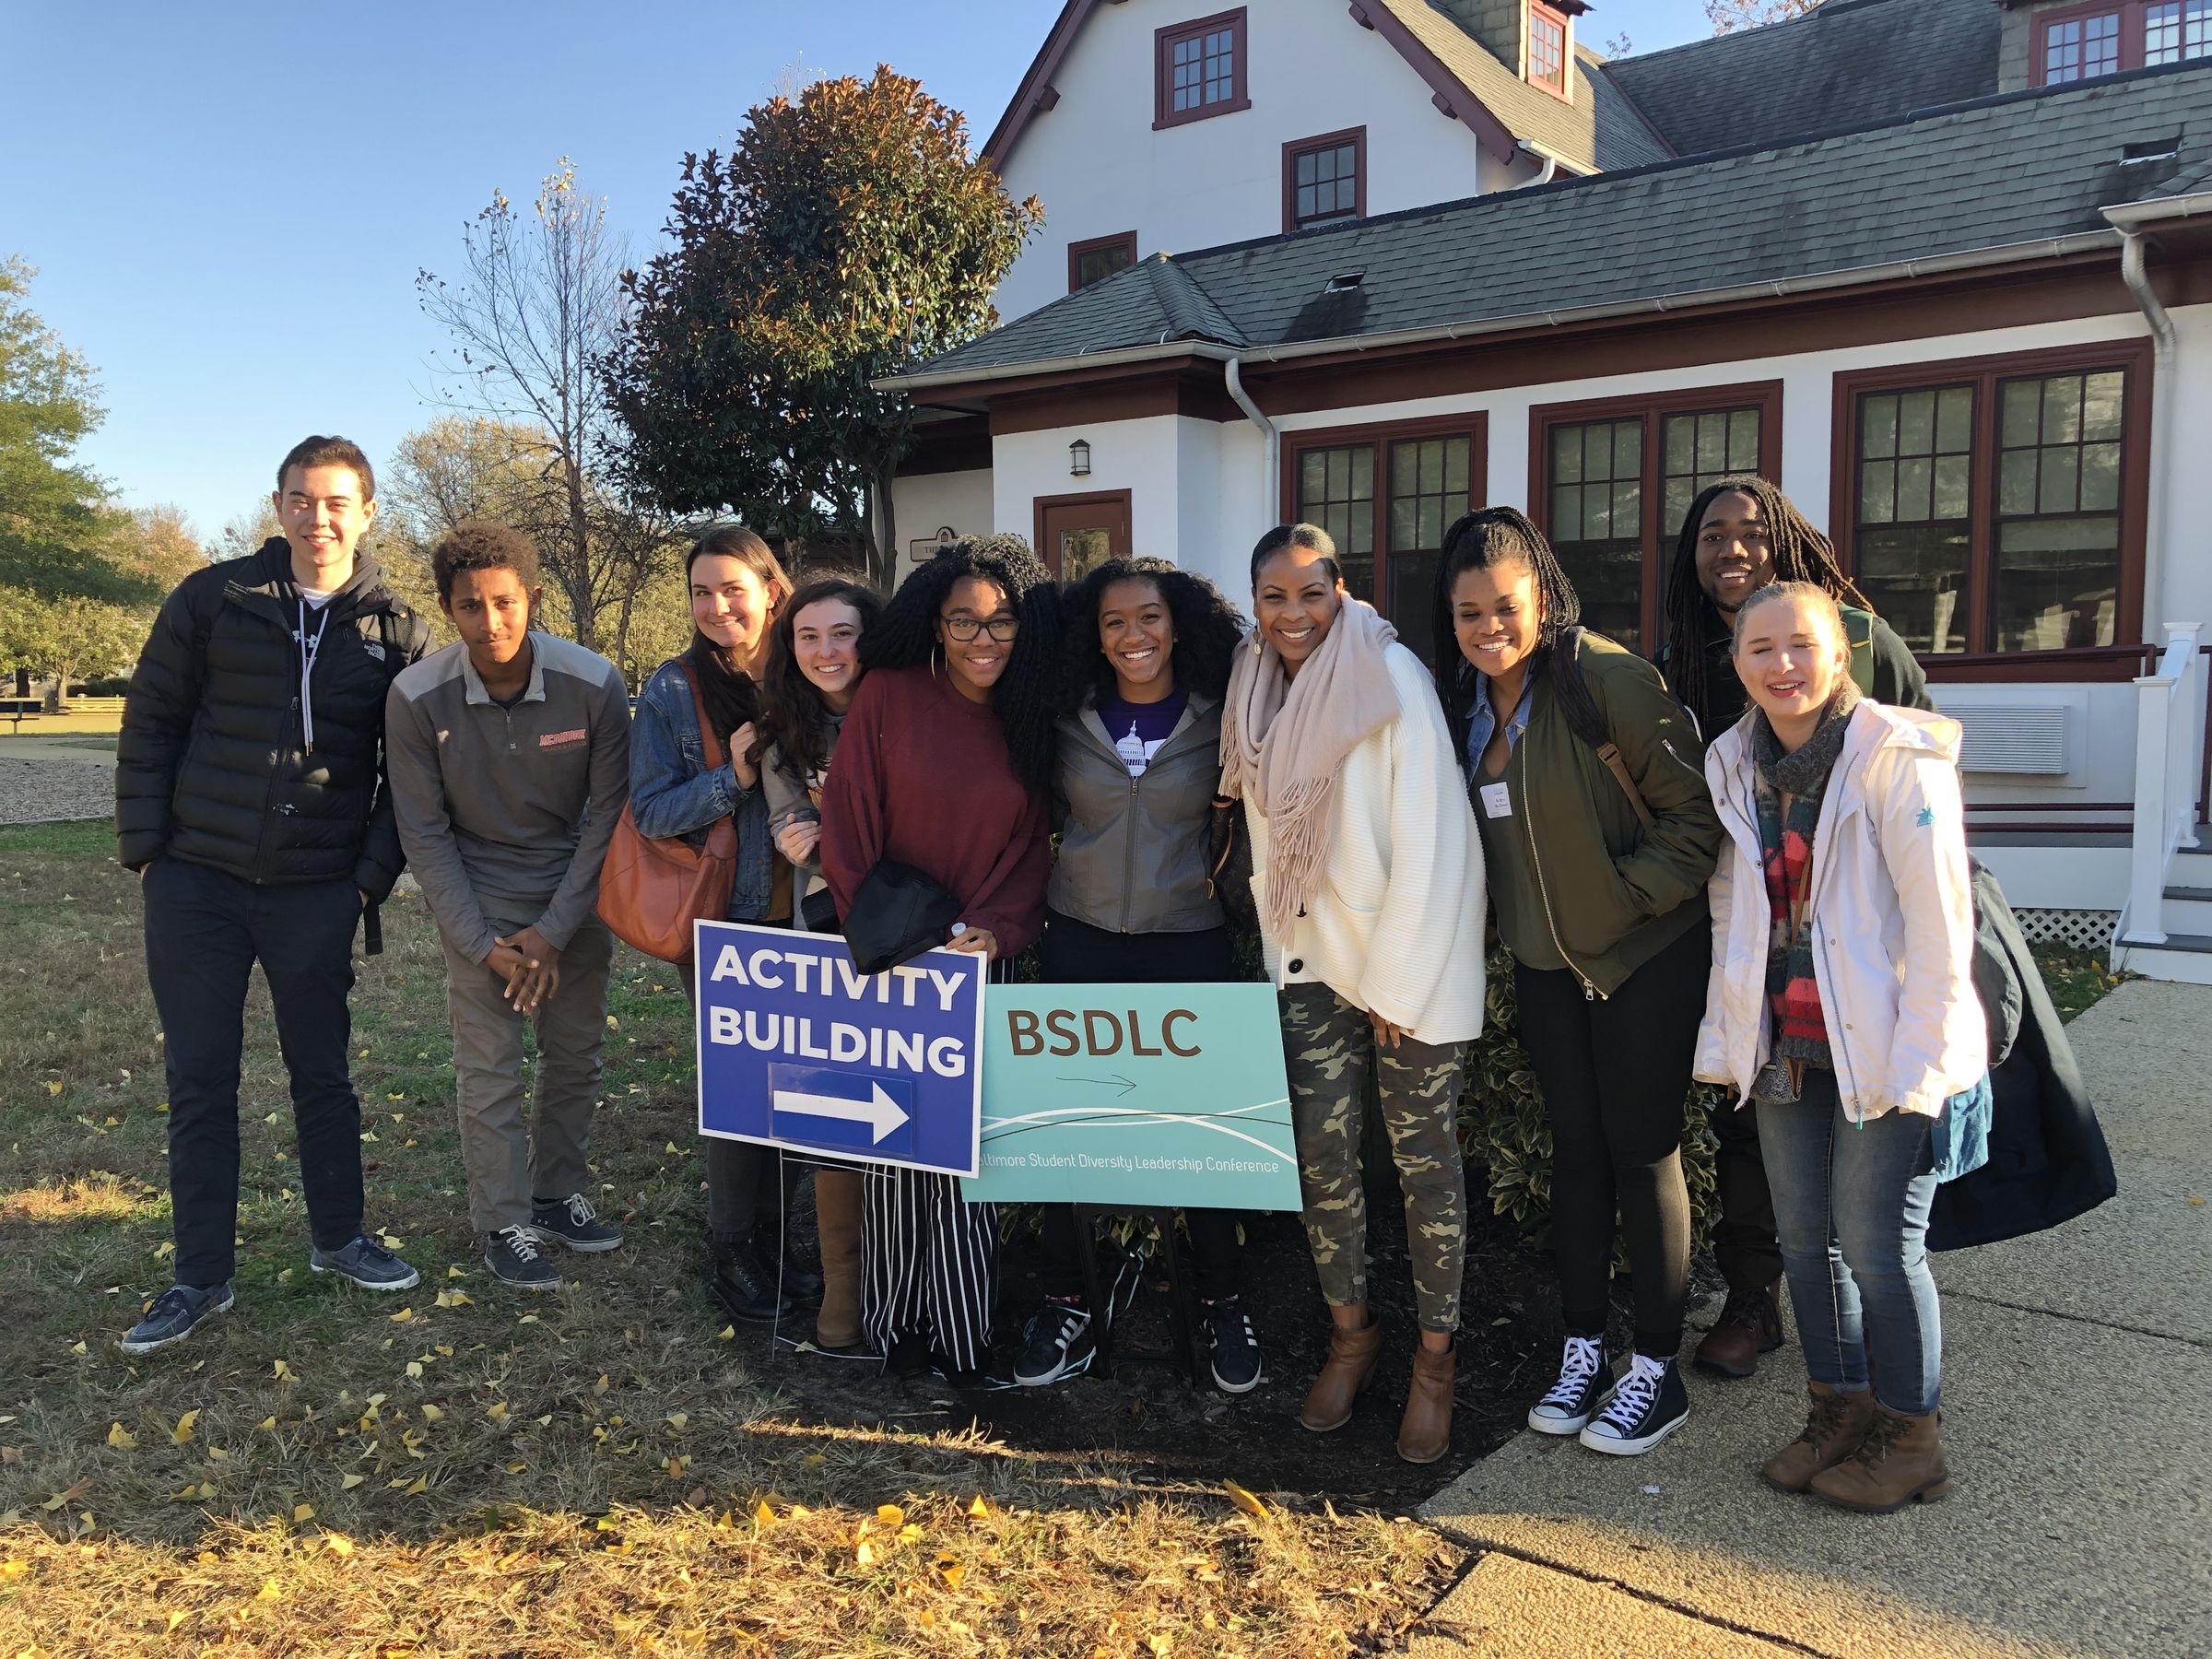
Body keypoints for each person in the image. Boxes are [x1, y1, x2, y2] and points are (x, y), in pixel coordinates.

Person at [114, 435, 431, 1353]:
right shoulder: (214, 598)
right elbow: (151, 723)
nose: (316, 516)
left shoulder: (395, 627)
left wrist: (366, 882)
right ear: (279, 505)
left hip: (315, 892)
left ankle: (340, 1238)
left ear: (367, 510)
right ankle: (200, 1278)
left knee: (322, 1075)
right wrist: (149, 855)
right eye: (300, 498)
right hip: (197, 886)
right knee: (201, 1081)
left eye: (335, 501)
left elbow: (405, 778)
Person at [1433, 507, 1722, 1458]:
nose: (1488, 629)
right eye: (1469, 613)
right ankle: (1585, 1347)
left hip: (1643, 957)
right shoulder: (1468, 707)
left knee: (1642, 1151)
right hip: (1548, 968)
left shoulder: (1610, 682)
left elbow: (1696, 820)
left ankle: (1655, 1368)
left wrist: (1623, 903)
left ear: (1542, 596)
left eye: (1505, 608)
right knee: (1576, 1152)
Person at [1695, 581, 1981, 1512]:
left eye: (1801, 645)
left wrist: (1923, 1067)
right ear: (1737, 663)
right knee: (1803, 1241)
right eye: (1761, 648)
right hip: (1790, 1042)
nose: (1783, 664)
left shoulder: (1897, 759)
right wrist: (1728, 1033)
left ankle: (1913, 1434)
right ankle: (1838, 1409)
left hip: (1885, 1046)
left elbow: (1943, 925)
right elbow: (1735, 909)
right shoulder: (1732, 761)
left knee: (1878, 1247)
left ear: (1841, 653)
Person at [1656, 476, 1936, 1381]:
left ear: (1786, 542)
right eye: (1710, 537)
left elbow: (1919, 778)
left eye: (1750, 533)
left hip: (1858, 944)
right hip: (1744, 927)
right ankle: (1755, 1300)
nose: (1730, 551)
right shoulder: (1689, 662)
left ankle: (1882, 1389)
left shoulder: (1858, 640)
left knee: (1861, 1179)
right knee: (1754, 1111)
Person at [1221, 524, 1485, 1465]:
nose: (1294, 615)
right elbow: (1267, 847)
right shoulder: (1254, 685)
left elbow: (1434, 836)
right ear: (1254, 603)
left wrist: (1396, 984)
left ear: (1342, 588)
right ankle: (1352, 1336)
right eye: (1275, 597)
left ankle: (1435, 1362)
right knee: (1323, 1156)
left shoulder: (1390, 676)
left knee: (1424, 1166)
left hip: (1406, 961)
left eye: (1311, 593)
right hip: (1311, 959)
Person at [1013, 558, 1260, 1394]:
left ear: (1178, 623)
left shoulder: (1219, 716)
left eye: (1149, 618)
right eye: (1115, 622)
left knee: (1204, 1135)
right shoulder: (1065, 717)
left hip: (1187, 941)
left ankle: (1225, 1300)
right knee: (1066, 1129)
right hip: (1079, 938)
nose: (1134, 637)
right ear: (1096, 632)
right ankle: (1062, 1299)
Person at [819, 535, 1060, 1384]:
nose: (984, 641)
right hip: (889, 956)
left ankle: (962, 1333)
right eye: (965, 622)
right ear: (936, 622)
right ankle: (897, 1328)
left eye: (1002, 624)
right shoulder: (887, 697)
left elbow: (1032, 850)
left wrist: (995, 930)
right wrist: (883, 938)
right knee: (893, 1142)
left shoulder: (1030, 717)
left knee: (965, 1153)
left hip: (977, 961)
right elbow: (846, 826)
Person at [385, 522, 631, 1288]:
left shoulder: (594, 685)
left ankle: (558, 1193)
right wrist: (481, 941)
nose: (490, 623)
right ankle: (504, 1220)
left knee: (573, 1055)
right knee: (487, 1069)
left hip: (575, 896)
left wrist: (555, 931)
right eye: (469, 607)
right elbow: (422, 833)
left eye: (504, 603)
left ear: (531, 598)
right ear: (447, 610)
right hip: (479, 901)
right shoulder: (416, 697)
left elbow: (607, 817)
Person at [629, 525, 801, 1325]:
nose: (717, 606)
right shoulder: (674, 689)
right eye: (702, 592)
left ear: (772, 587)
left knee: (805, 1089)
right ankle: (735, 1247)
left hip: (823, 918)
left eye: (733, 588)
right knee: (740, 1095)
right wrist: (730, 778)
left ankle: (787, 1240)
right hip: (729, 923)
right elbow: (653, 809)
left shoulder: (817, 662)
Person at [758, 573, 884, 1351]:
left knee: (915, 1098)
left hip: (914, 932)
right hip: (825, 929)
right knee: (838, 1105)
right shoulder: (784, 734)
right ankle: (843, 1279)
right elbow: (789, 826)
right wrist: (798, 831)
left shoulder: (908, 710)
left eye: (843, 633)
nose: (827, 651)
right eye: (809, 636)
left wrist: (831, 836)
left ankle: (908, 1270)